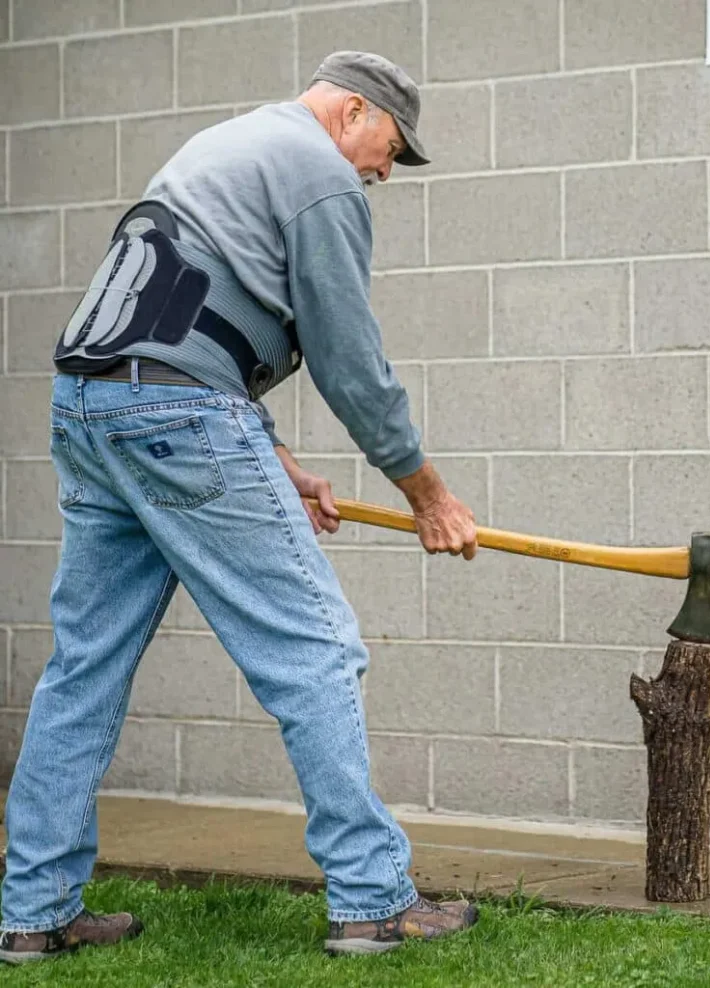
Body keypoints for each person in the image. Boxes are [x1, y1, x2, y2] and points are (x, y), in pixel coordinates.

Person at [0, 51, 479, 964]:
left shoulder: (225, 145)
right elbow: (348, 361)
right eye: (390, 145)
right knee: (316, 648)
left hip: (92, 408)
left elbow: (174, 314)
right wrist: (428, 493)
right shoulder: (318, 174)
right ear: (349, 112)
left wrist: (275, 458)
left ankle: (33, 911)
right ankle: (374, 901)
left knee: (84, 668)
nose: (386, 169)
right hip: (178, 412)